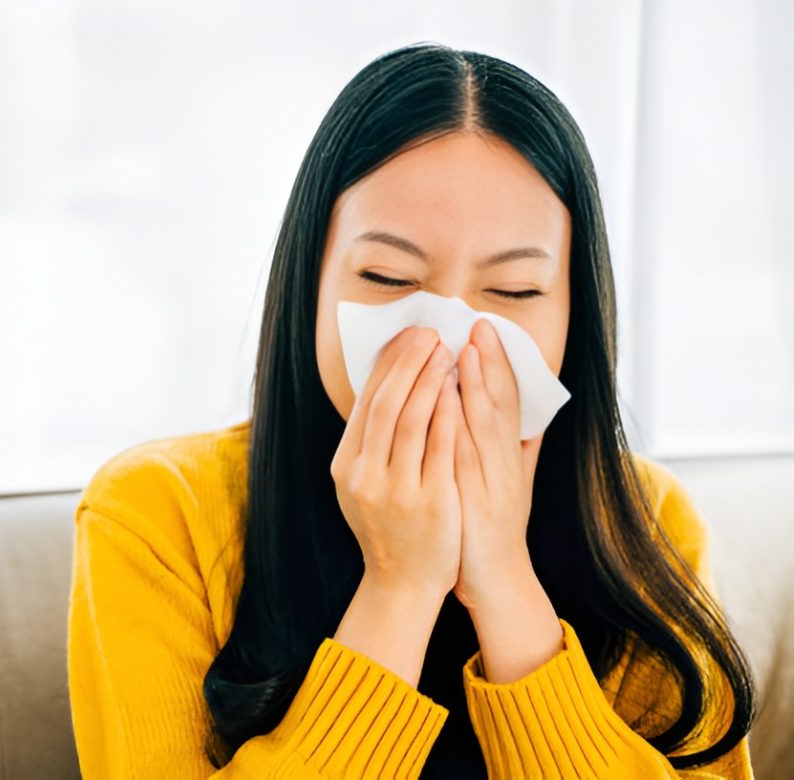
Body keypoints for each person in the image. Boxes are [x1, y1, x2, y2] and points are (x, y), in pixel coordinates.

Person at [66, 41, 757, 778]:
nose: (446, 338)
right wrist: (399, 585)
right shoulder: (158, 513)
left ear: (573, 316)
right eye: (389, 277)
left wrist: (504, 582)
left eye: (515, 291)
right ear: (310, 281)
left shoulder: (647, 521)